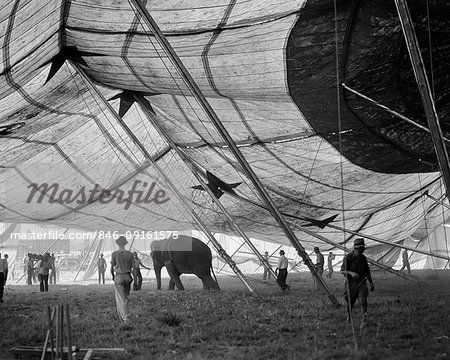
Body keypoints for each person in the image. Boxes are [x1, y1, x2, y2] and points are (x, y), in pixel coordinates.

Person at [340, 238, 375, 321]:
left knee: (363, 300)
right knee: (350, 302)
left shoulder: (363, 258)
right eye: (362, 248)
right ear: (357, 249)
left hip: (361, 282)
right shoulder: (348, 257)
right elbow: (342, 270)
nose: (364, 249)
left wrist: (371, 283)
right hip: (351, 283)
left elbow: (367, 272)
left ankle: (364, 318)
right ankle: (349, 316)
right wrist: (351, 273)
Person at [111, 236, 134, 325]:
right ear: (125, 243)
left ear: (118, 243)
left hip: (119, 276)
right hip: (128, 276)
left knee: (121, 298)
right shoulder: (130, 254)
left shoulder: (114, 254)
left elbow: (111, 268)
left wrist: (113, 276)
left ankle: (125, 318)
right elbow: (133, 267)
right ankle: (125, 315)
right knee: (126, 297)